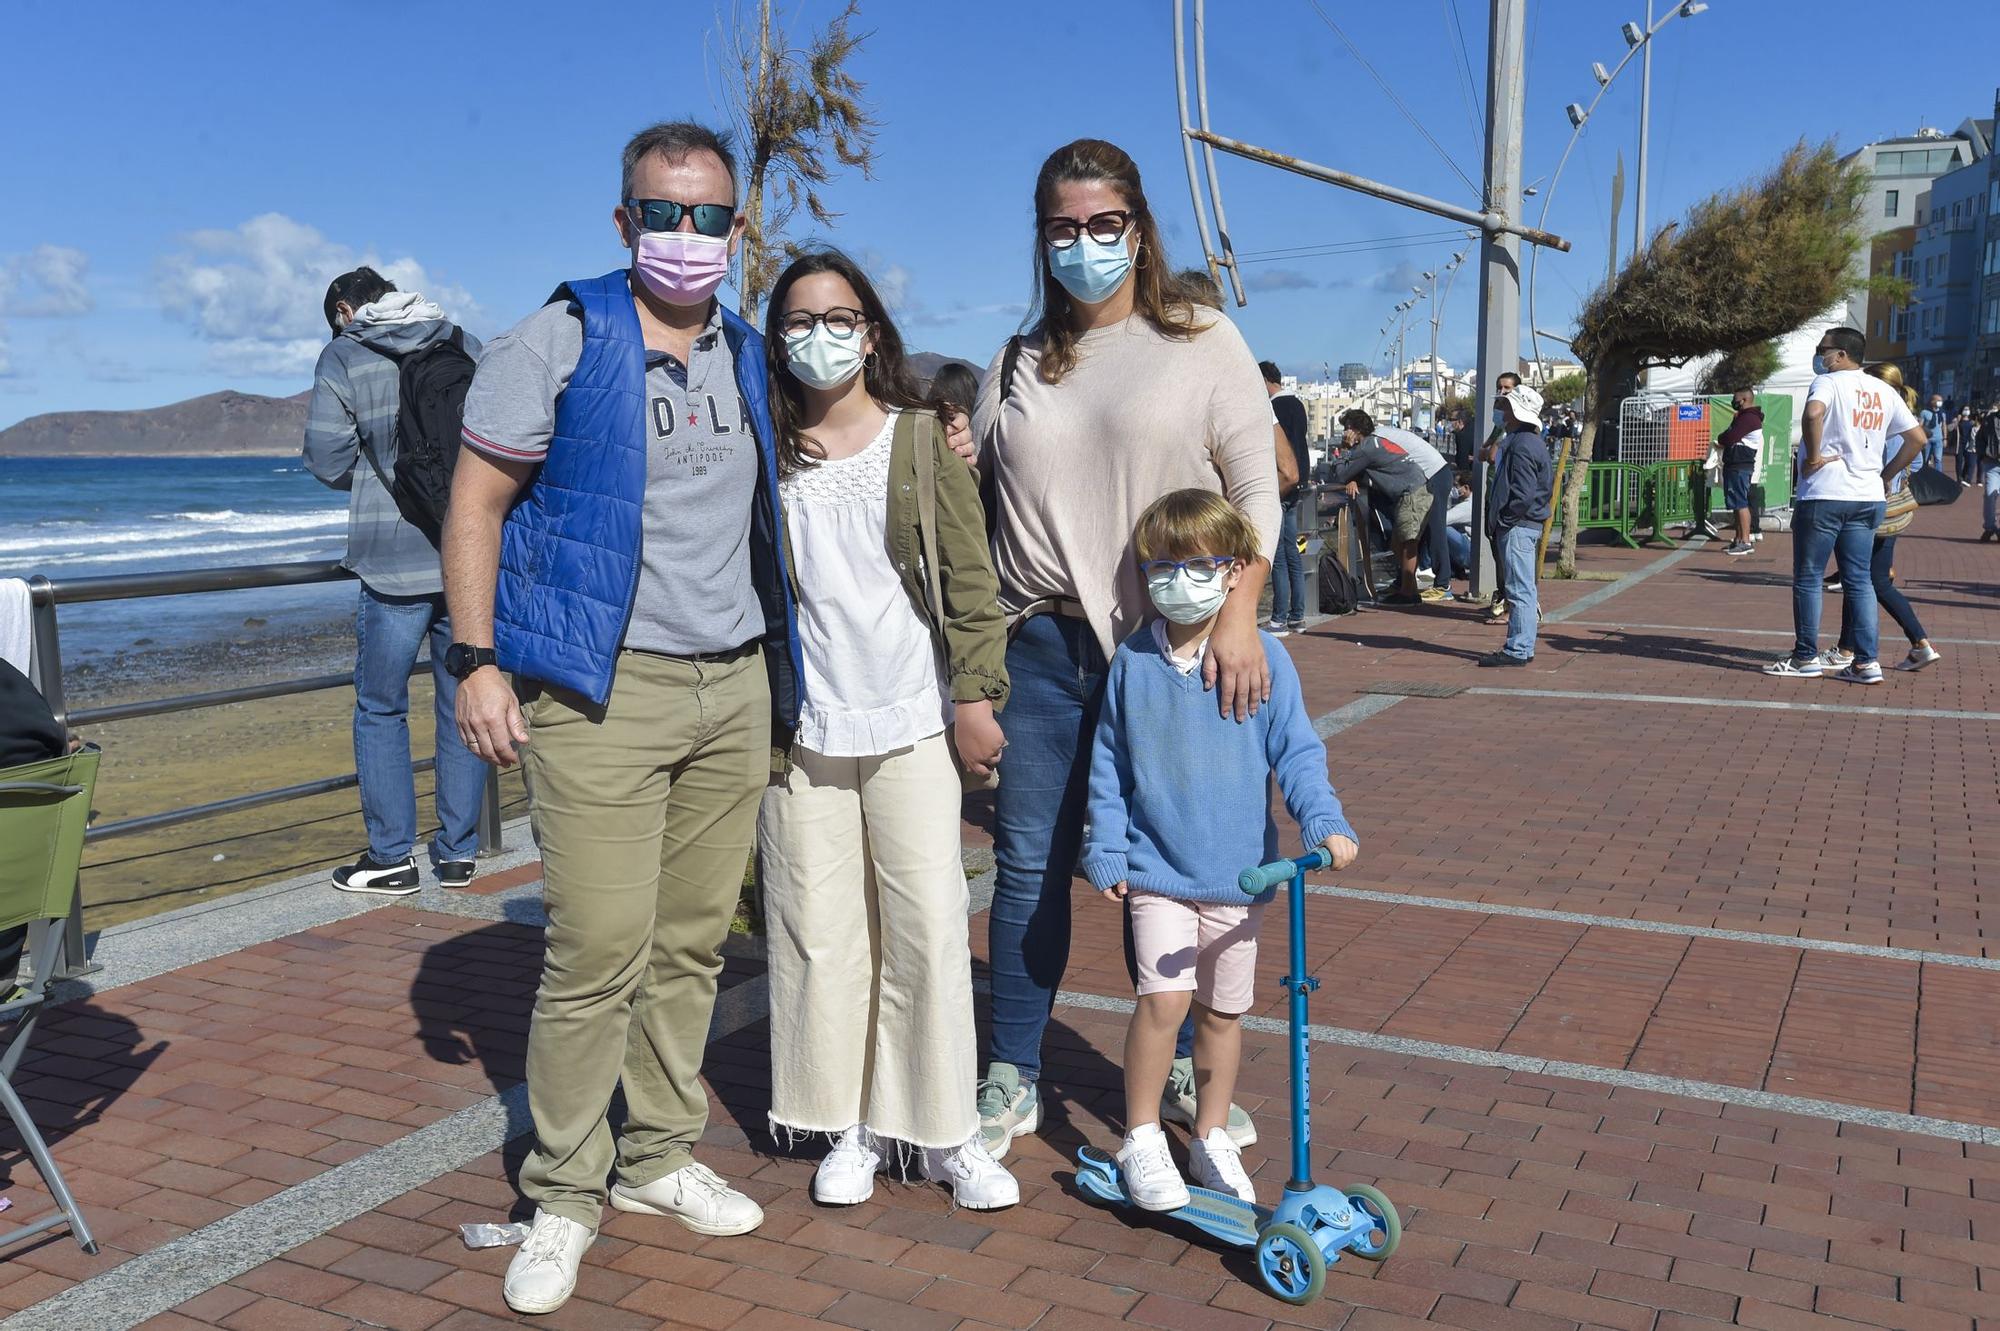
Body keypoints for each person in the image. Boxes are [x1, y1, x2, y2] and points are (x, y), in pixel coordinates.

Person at [445, 121, 799, 1315]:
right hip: (602, 689)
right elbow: (477, 506)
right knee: (595, 947)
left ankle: (654, 1153)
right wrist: (477, 661)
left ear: (736, 229)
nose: (684, 238)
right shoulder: (561, 335)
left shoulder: (748, 352)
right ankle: (562, 1192)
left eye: (707, 218)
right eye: (663, 212)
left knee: (693, 940)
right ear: (622, 221)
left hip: (731, 682)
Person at [970, 138, 1279, 1163]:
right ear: (1039, 235)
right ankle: (1010, 1067)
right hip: (1043, 650)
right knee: (1030, 869)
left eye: (1104, 224)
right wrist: (964, 679)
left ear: (1137, 229)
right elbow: (972, 521)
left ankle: (1190, 1061)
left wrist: (1237, 612)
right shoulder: (1015, 363)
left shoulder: (1199, 338)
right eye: (1063, 226)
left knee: (1189, 867)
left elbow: (1254, 490)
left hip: (1171, 651)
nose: (1084, 243)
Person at [755, 250, 1017, 1210]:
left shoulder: (918, 442)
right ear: (775, 340)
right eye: (798, 322)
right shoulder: (763, 448)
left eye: (839, 318)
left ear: (871, 331)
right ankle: (855, 1122)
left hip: (910, 717)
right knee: (822, 934)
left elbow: (970, 581)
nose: (818, 338)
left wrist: (975, 695)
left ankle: (946, 1129)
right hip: (803, 731)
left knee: (929, 928)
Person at [1083, 491, 1357, 1209]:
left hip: (1242, 877)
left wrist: (1323, 821)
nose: (1178, 579)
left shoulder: (1261, 660)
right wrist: (1105, 845)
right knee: (1164, 1000)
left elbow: (1296, 750)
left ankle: (1209, 1133)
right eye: (1161, 566)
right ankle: (1141, 1133)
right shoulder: (1134, 665)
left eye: (1197, 564)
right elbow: (1108, 764)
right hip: (1158, 872)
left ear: (1235, 572)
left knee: (1223, 1013)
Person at [304, 268, 487, 895]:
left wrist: (373, 457)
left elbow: (326, 459)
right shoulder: (460, 340)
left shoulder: (344, 354)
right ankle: (458, 852)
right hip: (467, 553)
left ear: (347, 309)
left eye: (336, 318)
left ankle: (390, 858)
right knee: (461, 699)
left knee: (381, 707)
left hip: (390, 564)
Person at [1762, 327, 1925, 683]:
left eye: (1824, 349)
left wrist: (1812, 457)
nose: (1820, 355)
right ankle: (1866, 662)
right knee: (1860, 580)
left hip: (1825, 491)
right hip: (1867, 496)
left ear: (1841, 355)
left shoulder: (1829, 383)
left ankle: (1806, 656)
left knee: (1808, 576)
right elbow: (1917, 438)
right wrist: (1885, 475)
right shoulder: (1883, 390)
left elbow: (1812, 414)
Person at [1828, 367, 1939, 673]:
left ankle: (1851, 650)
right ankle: (1914, 644)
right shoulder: (1904, 415)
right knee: (1871, 579)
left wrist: (1884, 475)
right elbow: (1916, 459)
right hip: (1893, 510)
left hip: (1870, 505)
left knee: (1861, 579)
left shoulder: (1884, 419)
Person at [1478, 382, 1552, 668]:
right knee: (1523, 587)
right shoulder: (1528, 441)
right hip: (1524, 523)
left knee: (1519, 588)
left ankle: (1519, 648)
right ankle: (1521, 645)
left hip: (1519, 525)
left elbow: (1522, 492)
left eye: (1507, 406)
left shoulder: (1522, 445)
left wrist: (1505, 520)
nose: (1502, 410)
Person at [1325, 409, 1432, 604]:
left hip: (1411, 493)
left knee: (1408, 543)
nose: (1345, 433)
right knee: (1397, 544)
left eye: (1346, 429)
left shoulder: (1365, 448)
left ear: (1354, 430)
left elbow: (1341, 475)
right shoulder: (1374, 442)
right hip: (1411, 490)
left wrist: (1344, 451)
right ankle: (1410, 588)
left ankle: (1408, 593)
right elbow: (1361, 470)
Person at [1373, 418, 1454, 601]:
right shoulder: (1383, 434)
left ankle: (1443, 584)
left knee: (1435, 530)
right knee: (1413, 533)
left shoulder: (1375, 441)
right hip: (1429, 475)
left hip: (1433, 475)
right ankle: (1404, 580)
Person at [1262, 361, 1311, 635]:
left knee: (1278, 555)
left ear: (1266, 380)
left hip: (1280, 485)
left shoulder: (1274, 408)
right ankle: (1298, 616)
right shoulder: (1297, 405)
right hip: (1297, 485)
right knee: (1292, 552)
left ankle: (1279, 617)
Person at [1480, 371, 1523, 625]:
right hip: (1492, 489)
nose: (1502, 392)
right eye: (1500, 387)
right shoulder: (1499, 419)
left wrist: (1486, 453)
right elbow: (1488, 445)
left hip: (1504, 491)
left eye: (1507, 388)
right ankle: (1504, 598)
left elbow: (1492, 454)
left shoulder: (1515, 421)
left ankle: (1511, 604)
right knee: (1496, 546)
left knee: (1507, 552)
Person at [1716, 388, 1764, 556]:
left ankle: (1745, 541)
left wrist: (1725, 436)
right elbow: (1729, 435)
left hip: (1740, 465)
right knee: (1736, 504)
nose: (1733, 402)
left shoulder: (1749, 418)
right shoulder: (1742, 418)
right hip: (1735, 465)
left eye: (1735, 399)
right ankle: (1738, 539)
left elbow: (1728, 438)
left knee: (1740, 503)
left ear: (1744, 400)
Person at [1981, 406, 2000, 541]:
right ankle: (1989, 527)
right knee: (1989, 494)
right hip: (1992, 463)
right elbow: (1980, 438)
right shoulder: (1989, 420)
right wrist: (1983, 454)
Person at [1920, 392, 1947, 473]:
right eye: (1938, 400)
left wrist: (1945, 438)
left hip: (1938, 440)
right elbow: (1920, 425)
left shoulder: (1942, 413)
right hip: (1927, 439)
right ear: (1932, 401)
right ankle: (1923, 475)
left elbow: (1944, 426)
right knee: (1925, 460)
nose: (1940, 402)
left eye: (1941, 401)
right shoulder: (1924, 412)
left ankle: (1939, 478)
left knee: (1938, 460)